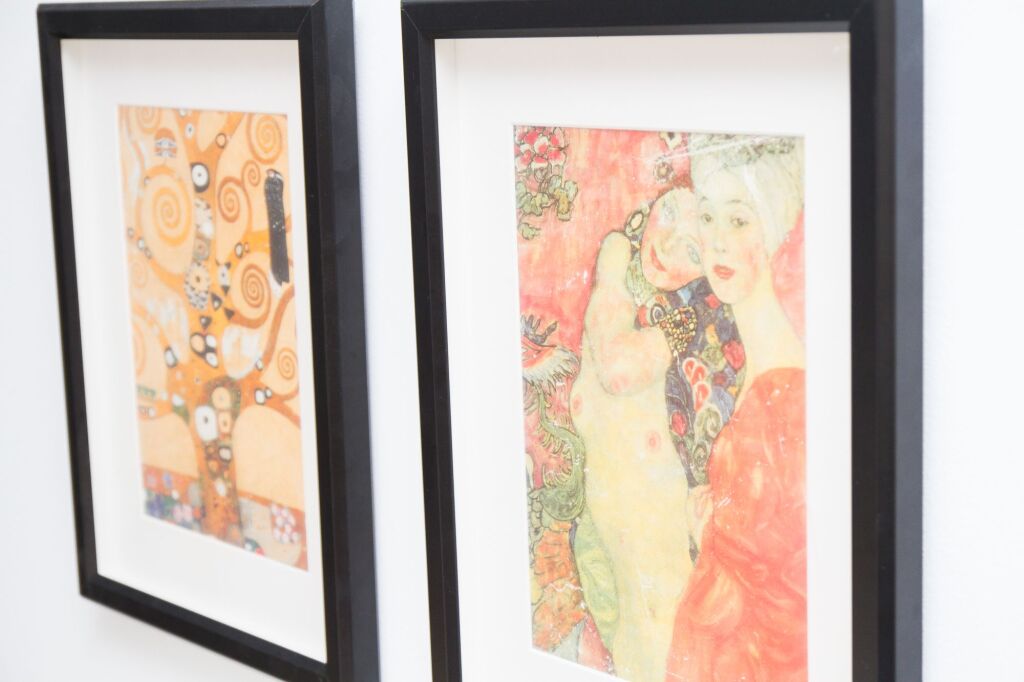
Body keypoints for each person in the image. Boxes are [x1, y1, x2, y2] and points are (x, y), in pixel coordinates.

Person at [570, 186, 739, 681]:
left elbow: (620, 372)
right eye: (669, 212)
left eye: (692, 250)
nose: (665, 246)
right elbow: (614, 365)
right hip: (610, 580)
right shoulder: (618, 262)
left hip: (671, 592)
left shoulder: (698, 319)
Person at [665, 134, 807, 681]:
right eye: (708, 217)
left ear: (771, 229)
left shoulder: (787, 395)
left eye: (739, 220)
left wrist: (711, 535)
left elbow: (789, 591)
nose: (718, 242)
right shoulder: (748, 364)